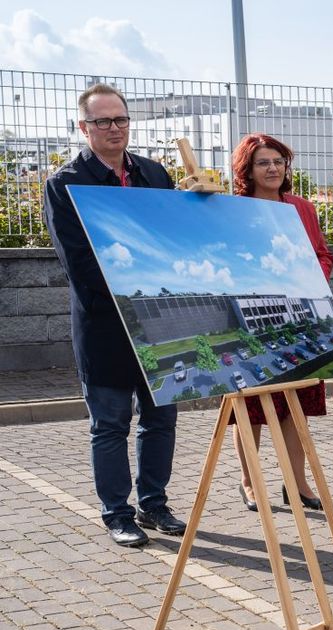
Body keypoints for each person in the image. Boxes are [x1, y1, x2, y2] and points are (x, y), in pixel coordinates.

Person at [43, 83, 186, 548]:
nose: (113, 129)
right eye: (102, 121)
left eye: (120, 119)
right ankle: (117, 513)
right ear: (83, 127)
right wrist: (138, 291)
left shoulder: (153, 174)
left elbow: (170, 243)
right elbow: (79, 264)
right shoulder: (66, 184)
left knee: (161, 420)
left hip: (159, 322)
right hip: (105, 325)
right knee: (109, 425)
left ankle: (154, 504)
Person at [229, 133, 333, 513]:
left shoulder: (302, 207)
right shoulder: (233, 209)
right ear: (247, 170)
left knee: (297, 405)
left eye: (278, 161)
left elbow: (323, 254)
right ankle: (250, 482)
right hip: (255, 319)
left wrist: (308, 278)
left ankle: (297, 484)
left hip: (302, 315)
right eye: (263, 162)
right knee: (251, 410)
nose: (273, 168)